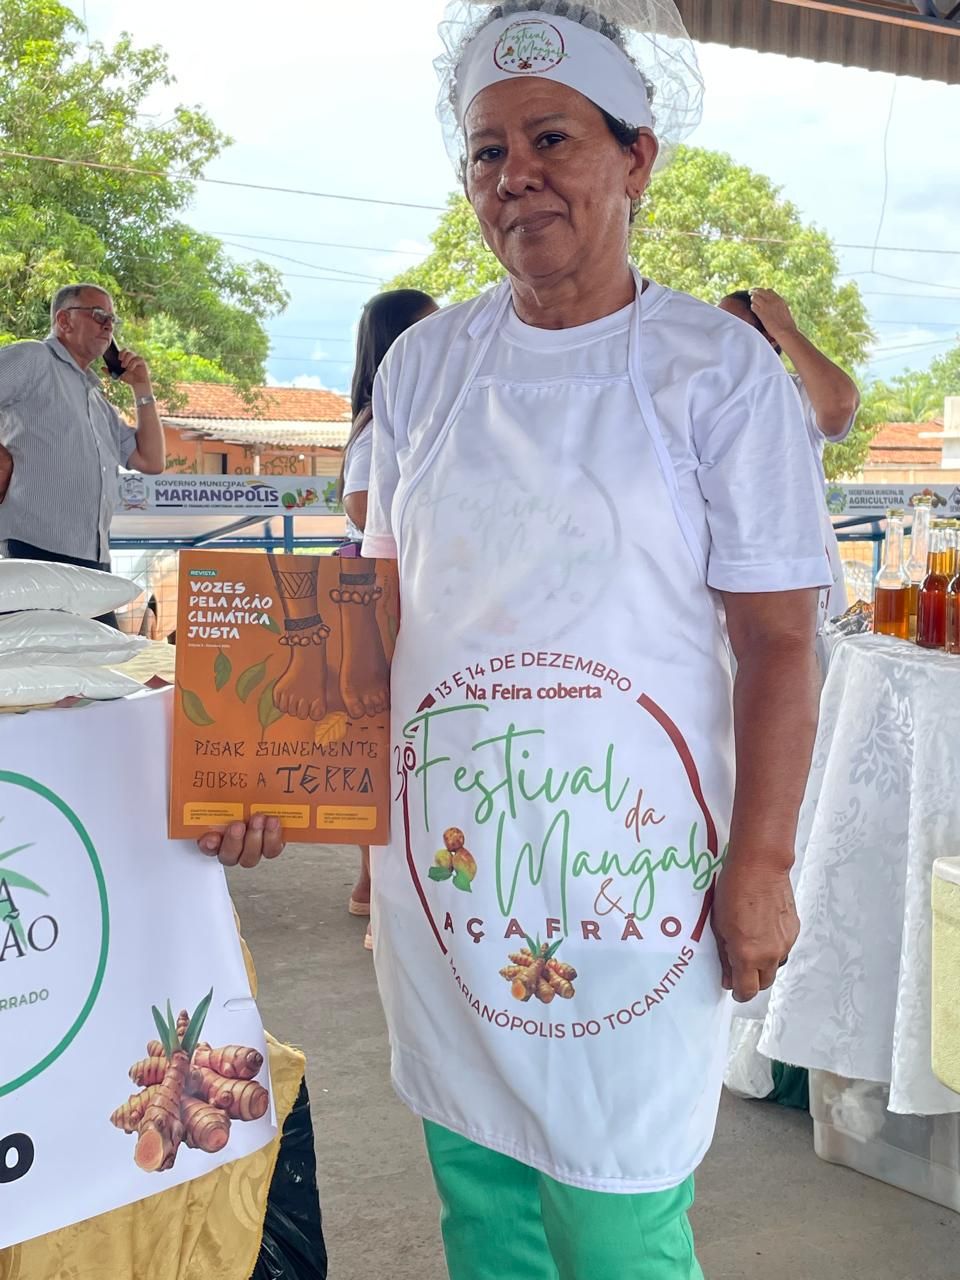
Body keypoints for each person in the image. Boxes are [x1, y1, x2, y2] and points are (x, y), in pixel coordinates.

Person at [202, 2, 831, 1275]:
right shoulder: (428, 369)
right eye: (487, 151)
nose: (515, 176)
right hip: (449, 870)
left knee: (618, 1212)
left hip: (632, 880)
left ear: (636, 157)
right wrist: (276, 781)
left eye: (552, 137)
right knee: (481, 1203)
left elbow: (777, 642)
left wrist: (760, 864)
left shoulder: (718, 373)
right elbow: (367, 611)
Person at [338, 288, 438, 949]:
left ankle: (373, 886)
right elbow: (359, 503)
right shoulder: (382, 421)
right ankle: (376, 888)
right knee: (384, 747)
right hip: (380, 594)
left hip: (391, 590)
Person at [0, 283, 165, 625]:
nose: (108, 326)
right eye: (99, 315)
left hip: (94, 566)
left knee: (94, 670)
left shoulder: (96, 399)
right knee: (37, 671)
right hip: (34, 553)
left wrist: (142, 387)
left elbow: (151, 461)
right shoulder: (34, 358)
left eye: (112, 320)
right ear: (64, 321)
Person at [718, 288, 860, 628]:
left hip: (796, 585)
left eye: (729, 327)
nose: (715, 335)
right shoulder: (701, 401)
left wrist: (787, 330)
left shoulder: (795, 395)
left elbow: (839, 406)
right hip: (727, 581)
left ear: (767, 340)